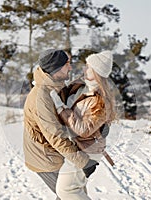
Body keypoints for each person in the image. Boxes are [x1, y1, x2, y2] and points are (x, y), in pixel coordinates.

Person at [23, 49, 99, 199]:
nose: (70, 68)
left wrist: (88, 78)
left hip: (56, 153)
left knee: (71, 193)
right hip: (46, 159)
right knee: (71, 193)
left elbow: (67, 93)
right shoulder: (41, 98)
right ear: (55, 68)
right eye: (66, 64)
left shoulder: (53, 85)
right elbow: (56, 137)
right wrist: (84, 162)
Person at [50, 50, 116, 200]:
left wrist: (60, 107)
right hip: (76, 147)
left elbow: (83, 130)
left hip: (87, 150)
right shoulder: (81, 86)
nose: (84, 69)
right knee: (77, 189)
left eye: (89, 67)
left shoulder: (100, 100)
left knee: (66, 190)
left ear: (97, 72)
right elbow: (64, 94)